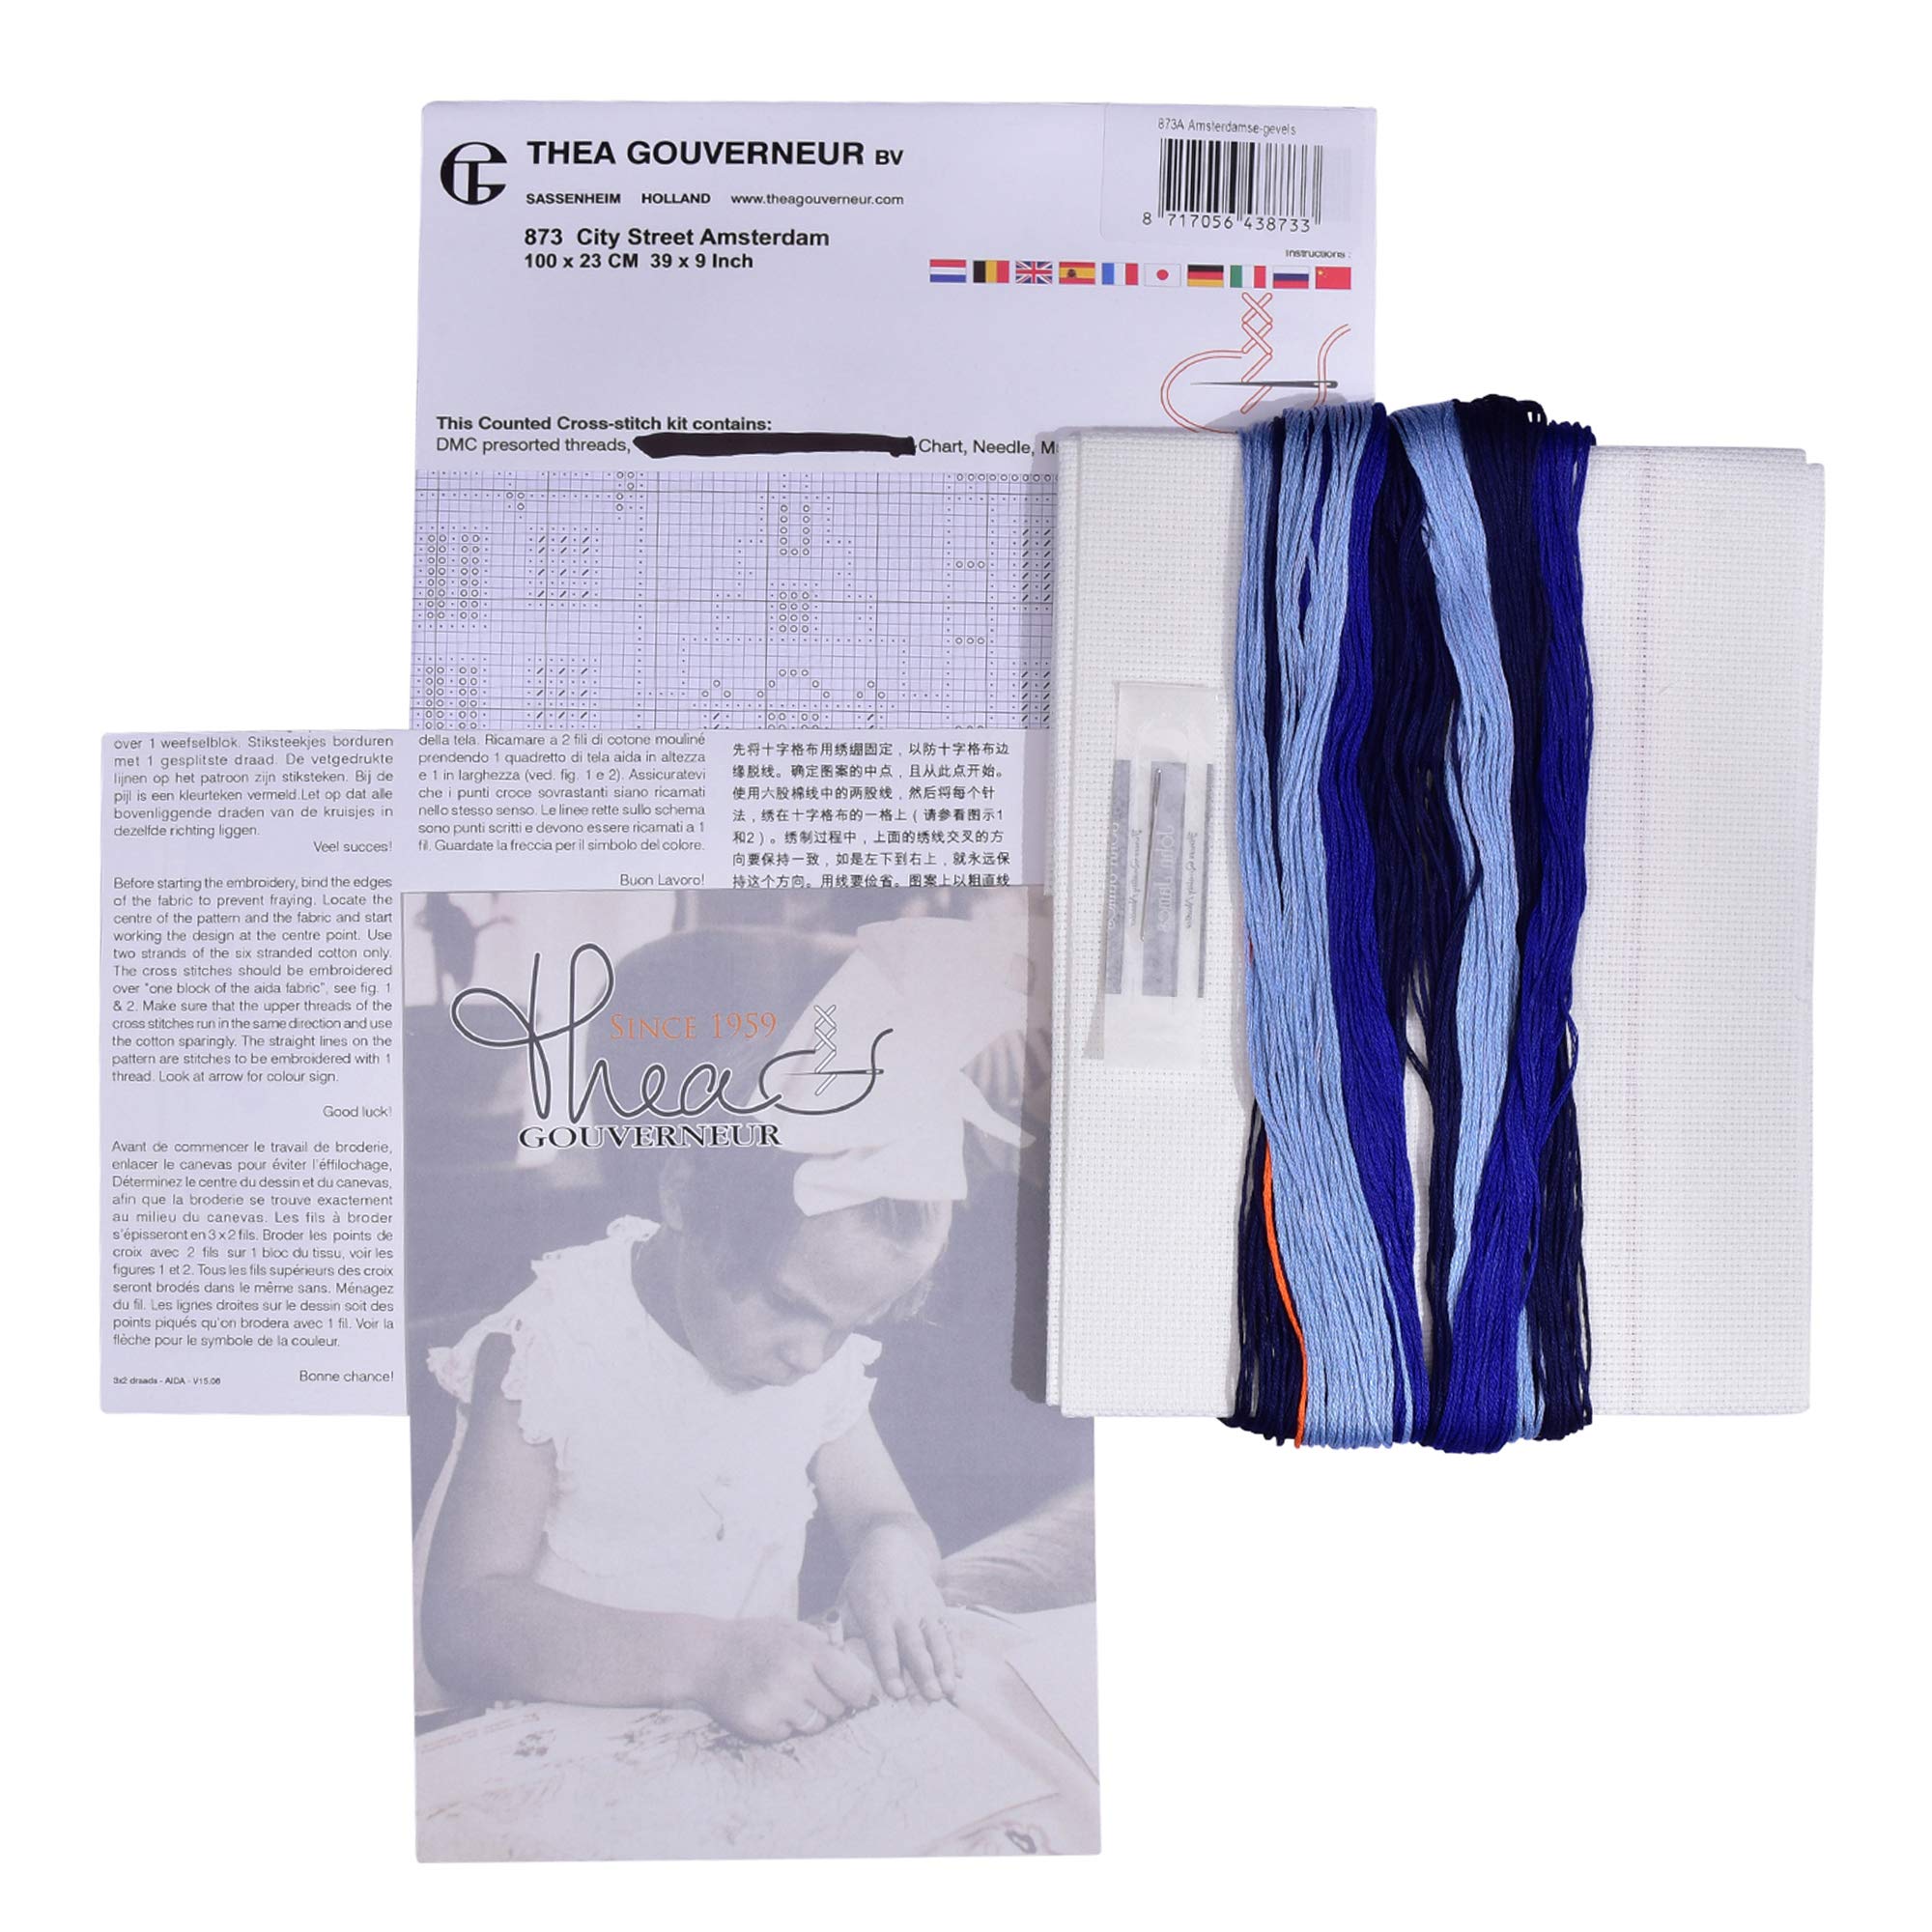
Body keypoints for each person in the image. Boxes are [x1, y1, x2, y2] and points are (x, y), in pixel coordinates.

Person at [415, 913, 1030, 1743]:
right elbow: (463, 1620)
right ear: (685, 1195)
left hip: (712, 1752)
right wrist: (706, 1661)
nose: (809, 1357)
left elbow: (886, 1514)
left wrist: (891, 1554)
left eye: (848, 1326)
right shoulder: (552, 1349)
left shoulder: (814, 1361)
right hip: (538, 1744)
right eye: (787, 1305)